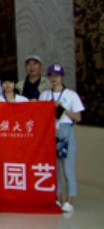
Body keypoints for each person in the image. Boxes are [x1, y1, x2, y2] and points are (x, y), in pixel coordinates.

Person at [39, 64, 84, 213]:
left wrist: (63, 108)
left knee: (68, 167)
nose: (54, 78)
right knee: (54, 167)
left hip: (65, 130)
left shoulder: (71, 95)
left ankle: (70, 199)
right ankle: (57, 197)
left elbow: (78, 117)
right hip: (50, 131)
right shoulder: (45, 95)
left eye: (57, 75)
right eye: (52, 75)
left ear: (62, 77)